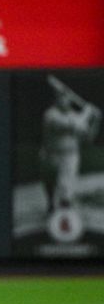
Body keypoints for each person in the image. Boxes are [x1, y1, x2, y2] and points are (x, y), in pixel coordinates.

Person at [40, 76, 102, 213]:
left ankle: (64, 213)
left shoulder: (74, 115)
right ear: (56, 100)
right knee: (49, 183)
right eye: (62, 98)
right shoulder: (51, 115)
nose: (65, 100)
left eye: (67, 98)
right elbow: (75, 125)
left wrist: (96, 121)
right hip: (49, 155)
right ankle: (50, 204)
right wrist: (88, 112)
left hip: (69, 156)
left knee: (65, 189)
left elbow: (89, 137)